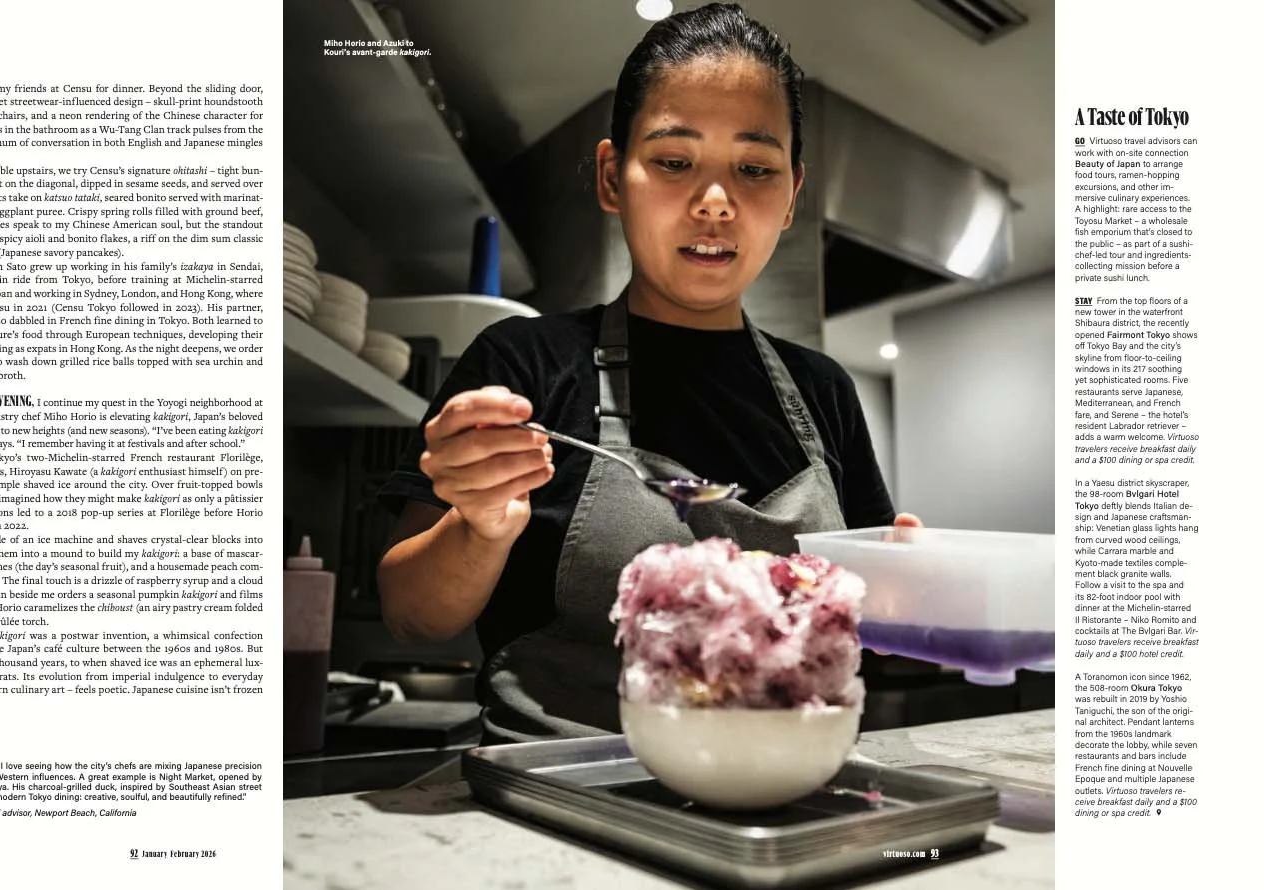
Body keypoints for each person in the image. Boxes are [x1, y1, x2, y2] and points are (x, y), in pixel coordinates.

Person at [376, 2, 918, 744]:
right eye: (673, 161)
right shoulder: (525, 366)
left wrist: (908, 584)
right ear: (611, 177)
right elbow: (411, 614)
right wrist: (479, 528)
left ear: (792, 194)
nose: (716, 202)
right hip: (561, 804)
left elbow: (874, 623)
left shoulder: (824, 391)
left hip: (781, 798)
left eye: (755, 169)